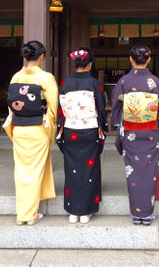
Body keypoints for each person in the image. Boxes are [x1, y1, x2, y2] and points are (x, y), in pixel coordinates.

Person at [3, 41, 58, 226]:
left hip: (19, 127)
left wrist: (12, 129)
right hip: (37, 127)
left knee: (22, 171)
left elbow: (11, 107)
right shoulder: (46, 78)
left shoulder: (16, 77)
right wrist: (51, 131)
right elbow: (52, 108)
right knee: (33, 171)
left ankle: (24, 211)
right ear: (41, 56)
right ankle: (28, 214)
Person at [111, 44, 159, 225]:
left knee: (133, 171)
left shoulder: (124, 82)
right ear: (149, 60)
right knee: (149, 170)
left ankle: (137, 213)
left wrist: (119, 124)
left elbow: (116, 107)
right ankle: (147, 213)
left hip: (131, 132)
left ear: (131, 59)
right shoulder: (156, 82)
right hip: (151, 131)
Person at [56, 48, 108, 224]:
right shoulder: (94, 83)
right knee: (89, 169)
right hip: (90, 130)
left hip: (71, 130)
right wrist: (104, 126)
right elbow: (101, 108)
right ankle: (85, 211)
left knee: (72, 169)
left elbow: (60, 109)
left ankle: (73, 211)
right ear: (90, 64)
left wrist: (60, 128)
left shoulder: (65, 82)